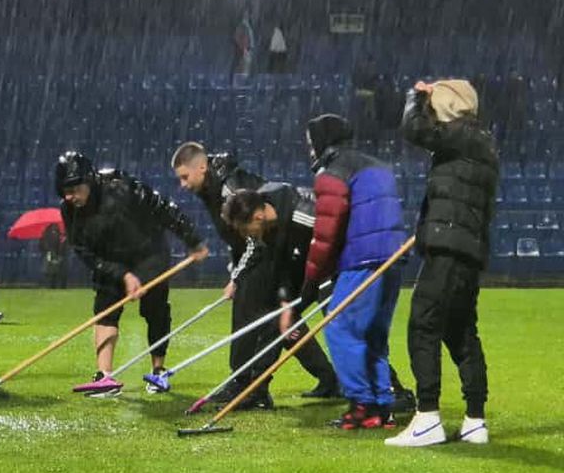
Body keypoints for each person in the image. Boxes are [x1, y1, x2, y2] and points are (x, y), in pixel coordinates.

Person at [171, 142, 336, 401]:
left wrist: (238, 276)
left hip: (272, 254)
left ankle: (246, 384)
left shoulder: (231, 190)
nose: (182, 184)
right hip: (273, 252)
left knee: (260, 317)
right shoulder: (212, 189)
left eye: (184, 176)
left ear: (201, 167)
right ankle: (318, 379)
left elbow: (251, 238)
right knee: (279, 317)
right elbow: (241, 238)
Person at [387, 79, 498, 447]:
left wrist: (416, 96)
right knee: (460, 332)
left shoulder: (462, 134)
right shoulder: (480, 141)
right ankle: (475, 420)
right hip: (467, 249)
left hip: (449, 247)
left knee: (423, 324)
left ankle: (427, 416)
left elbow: (414, 129)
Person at [58, 151, 208, 397]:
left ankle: (158, 371)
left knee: (156, 311)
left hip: (149, 252)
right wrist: (122, 275)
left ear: (89, 181)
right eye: (66, 191)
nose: (70, 197)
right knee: (104, 311)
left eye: (75, 189)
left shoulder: (122, 187)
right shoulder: (68, 210)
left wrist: (192, 239)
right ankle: (104, 376)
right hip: (109, 259)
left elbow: (163, 208)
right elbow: (83, 251)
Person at [298, 115, 406, 430]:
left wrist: (312, 278)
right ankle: (382, 406)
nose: (309, 149)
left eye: (310, 142)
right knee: (374, 335)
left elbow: (326, 233)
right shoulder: (379, 166)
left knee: (340, 329)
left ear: (321, 141)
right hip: (393, 257)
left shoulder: (332, 173)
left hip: (361, 260)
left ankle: (362, 404)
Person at [220, 184, 339, 399]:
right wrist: (284, 302)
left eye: (244, 229)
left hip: (332, 268)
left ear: (257, 217)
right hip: (304, 269)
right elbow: (281, 265)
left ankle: (388, 387)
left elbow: (331, 243)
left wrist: (288, 305)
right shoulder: (265, 223)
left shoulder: (304, 214)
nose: (244, 234)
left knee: (344, 329)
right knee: (278, 320)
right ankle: (259, 389)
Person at [39, 222, 68, 289]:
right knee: (51, 270)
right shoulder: (46, 234)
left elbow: (42, 245)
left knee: (55, 270)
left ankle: (54, 285)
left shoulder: (60, 234)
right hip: (52, 254)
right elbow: (42, 245)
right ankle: (52, 285)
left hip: (57, 254)